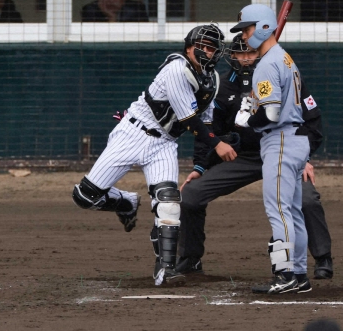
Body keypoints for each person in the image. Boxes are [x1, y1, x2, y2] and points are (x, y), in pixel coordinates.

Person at [72, 23, 237, 286]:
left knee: (169, 202)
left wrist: (215, 147)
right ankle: (126, 203)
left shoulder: (213, 80)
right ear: (189, 47)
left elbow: (205, 124)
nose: (207, 52)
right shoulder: (176, 69)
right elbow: (190, 120)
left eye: (212, 48)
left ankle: (166, 270)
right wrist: (217, 144)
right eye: (202, 46)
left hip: (164, 143)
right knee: (85, 196)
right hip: (134, 132)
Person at [176, 34, 333, 290]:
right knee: (191, 194)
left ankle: (322, 259)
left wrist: (304, 156)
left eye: (250, 52)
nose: (246, 58)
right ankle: (190, 259)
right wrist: (200, 167)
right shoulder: (221, 87)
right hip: (245, 158)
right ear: (233, 56)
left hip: (282, 150)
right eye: (241, 53)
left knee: (306, 200)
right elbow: (208, 130)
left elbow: (311, 118)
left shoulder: (280, 73)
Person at [229, 3, 313, 294]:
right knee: (292, 211)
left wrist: (248, 120)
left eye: (248, 28)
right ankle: (299, 274)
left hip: (280, 140)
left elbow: (271, 115)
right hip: (296, 139)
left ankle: (284, 273)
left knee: (278, 210)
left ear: (264, 26)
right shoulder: (284, 58)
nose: (245, 34)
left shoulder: (266, 63)